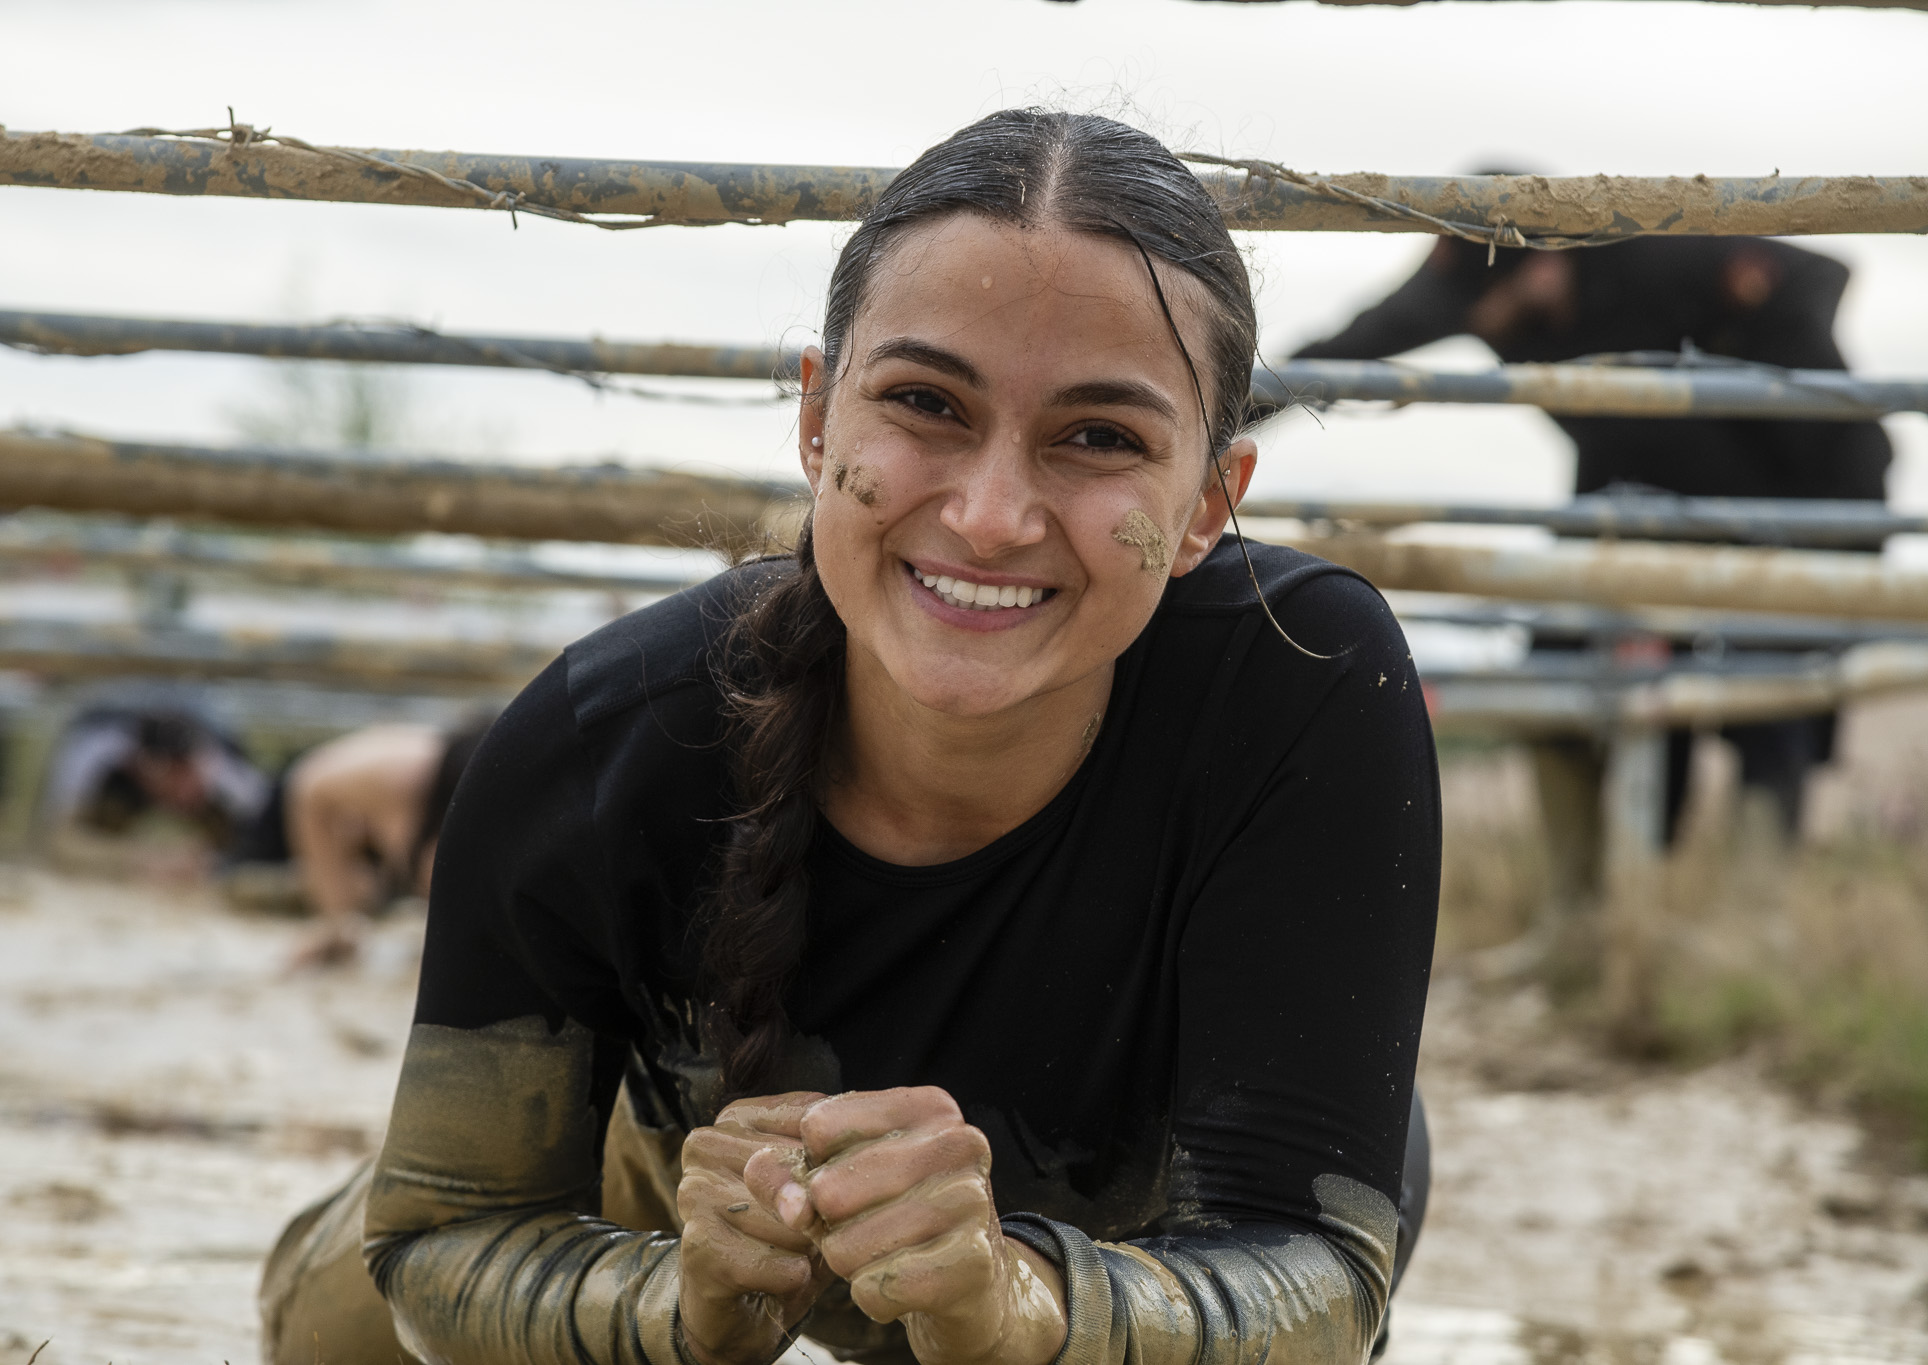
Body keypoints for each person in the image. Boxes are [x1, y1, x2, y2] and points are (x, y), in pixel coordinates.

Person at [259, 109, 1440, 1365]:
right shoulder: (601, 738)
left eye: (1099, 436)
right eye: (925, 403)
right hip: (684, 1168)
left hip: (1144, 1218)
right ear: (818, 424)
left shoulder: (1298, 689)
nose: (989, 518)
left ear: (1207, 503)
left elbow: (1308, 1266)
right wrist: (671, 1307)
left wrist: (1020, 1306)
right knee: (327, 1335)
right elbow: (444, 1239)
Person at [1293, 227, 1894, 849]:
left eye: (1494, 303)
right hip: (1651, 512)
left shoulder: (1651, 257)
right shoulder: (1462, 275)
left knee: (1774, 697)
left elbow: (1820, 273)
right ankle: (1590, 913)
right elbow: (1348, 349)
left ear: (1546, 264)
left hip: (1810, 490)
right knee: (1561, 673)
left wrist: (1726, 355)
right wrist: (1227, 417)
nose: (1484, 325)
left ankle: (1748, 922)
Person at [257, 716, 495, 969]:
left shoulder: (432, 774)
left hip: (344, 792)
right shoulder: (409, 780)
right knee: (342, 923)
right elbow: (307, 785)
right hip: (295, 794)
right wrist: (337, 913)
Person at [43, 707, 271, 871]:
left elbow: (262, 848)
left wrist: (209, 862)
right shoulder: (96, 754)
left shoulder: (228, 773)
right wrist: (134, 858)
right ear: (139, 768)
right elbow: (57, 843)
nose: (182, 787)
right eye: (170, 775)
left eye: (187, 772)